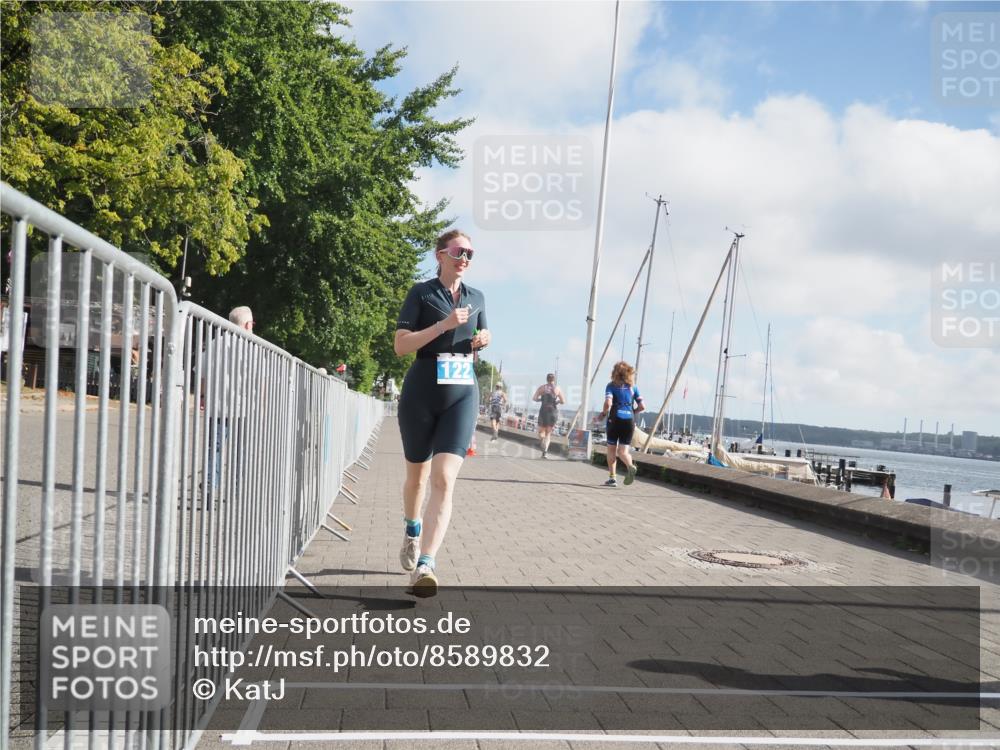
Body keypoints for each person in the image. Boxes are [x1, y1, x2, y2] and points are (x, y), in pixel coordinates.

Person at [394, 229, 490, 595]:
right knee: (417, 480)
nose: (464, 258)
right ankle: (412, 529)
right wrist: (443, 325)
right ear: (440, 255)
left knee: (444, 479)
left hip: (462, 393)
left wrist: (485, 339)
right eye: (458, 251)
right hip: (421, 391)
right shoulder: (421, 293)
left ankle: (426, 565)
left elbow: (482, 333)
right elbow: (401, 346)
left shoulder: (477, 297)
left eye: (470, 254)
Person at [596, 361, 644, 487]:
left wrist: (603, 414)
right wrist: (633, 412)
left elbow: (608, 403)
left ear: (615, 372)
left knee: (611, 450)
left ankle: (612, 479)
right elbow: (642, 406)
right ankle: (630, 465)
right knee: (623, 452)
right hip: (629, 420)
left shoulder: (611, 386)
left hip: (615, 420)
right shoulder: (633, 387)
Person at [532, 373, 565, 459]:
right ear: (554, 380)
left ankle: (543, 442)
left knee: (541, 433)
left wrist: (541, 399)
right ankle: (545, 452)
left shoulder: (542, 388)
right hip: (553, 412)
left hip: (543, 411)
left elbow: (534, 398)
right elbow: (563, 401)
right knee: (548, 433)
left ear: (546, 379)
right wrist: (557, 401)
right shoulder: (557, 388)